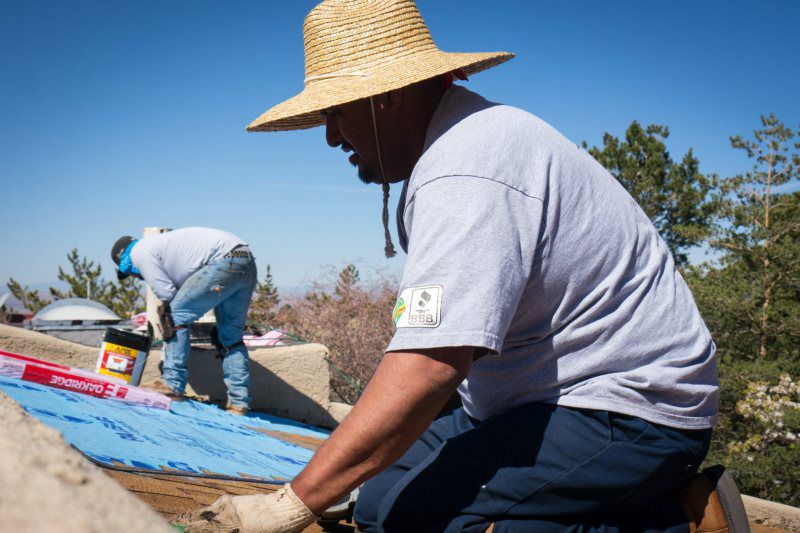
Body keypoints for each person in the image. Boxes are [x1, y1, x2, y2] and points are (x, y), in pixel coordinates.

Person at [180, 1, 745, 531]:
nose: (331, 137)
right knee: (377, 504)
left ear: (386, 97)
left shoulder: (466, 171)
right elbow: (449, 345)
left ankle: (678, 518)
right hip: (525, 405)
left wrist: (292, 502)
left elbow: (431, 364)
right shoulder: (454, 149)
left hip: (628, 410)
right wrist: (368, 469)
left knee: (416, 520)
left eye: (335, 112)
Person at [112, 226, 257, 415]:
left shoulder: (139, 253)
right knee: (230, 336)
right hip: (245, 258)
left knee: (174, 316)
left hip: (225, 260)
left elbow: (167, 293)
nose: (135, 277)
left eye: (130, 274)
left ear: (124, 261)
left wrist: (170, 322)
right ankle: (239, 403)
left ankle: (172, 384)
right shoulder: (163, 250)